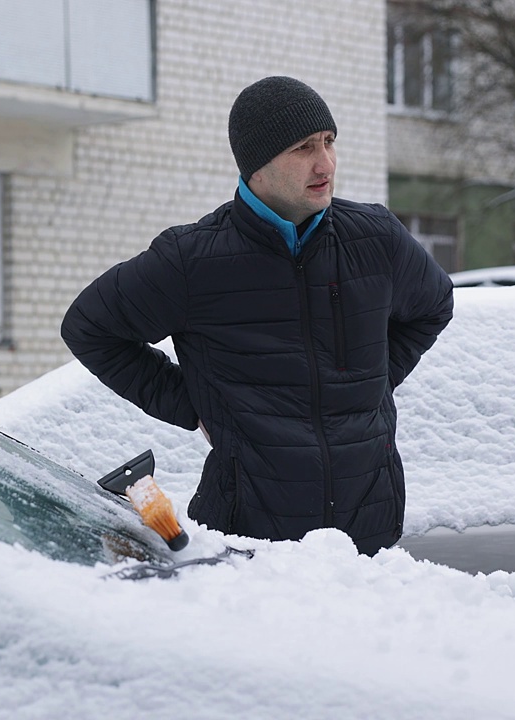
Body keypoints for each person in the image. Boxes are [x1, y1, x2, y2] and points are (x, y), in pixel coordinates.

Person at [61, 76, 454, 555]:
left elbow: (434, 306)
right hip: (249, 541)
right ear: (257, 167)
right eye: (304, 147)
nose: (325, 162)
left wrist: (373, 381)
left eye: (329, 142)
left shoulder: (374, 239)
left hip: (367, 533)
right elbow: (90, 328)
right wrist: (193, 406)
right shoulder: (193, 261)